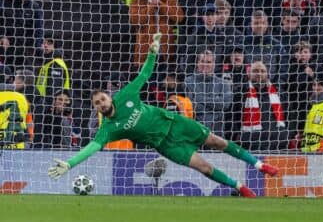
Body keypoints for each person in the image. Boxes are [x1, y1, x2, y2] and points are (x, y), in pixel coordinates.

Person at [47, 34, 279, 198]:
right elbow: (91, 148)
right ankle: (240, 187)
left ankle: (259, 165)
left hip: (175, 123)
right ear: (96, 108)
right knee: (204, 168)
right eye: (97, 103)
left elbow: (145, 73)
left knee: (218, 142)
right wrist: (69, 163)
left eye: (103, 99)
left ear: (109, 98)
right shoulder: (108, 128)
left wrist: (152, 52)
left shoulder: (126, 95)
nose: (101, 104)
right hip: (165, 145)